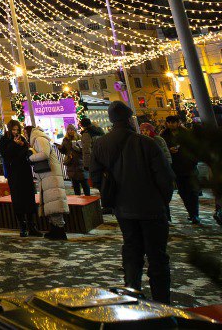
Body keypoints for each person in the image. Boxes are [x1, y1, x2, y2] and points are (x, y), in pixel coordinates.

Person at [90, 101, 175, 303]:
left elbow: (94, 174)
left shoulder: (101, 144)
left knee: (131, 249)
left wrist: (111, 195)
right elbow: (165, 177)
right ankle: (161, 300)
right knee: (157, 255)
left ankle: (131, 292)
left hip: (123, 208)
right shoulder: (146, 143)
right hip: (152, 207)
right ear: (129, 119)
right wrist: (163, 200)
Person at [28, 125, 70, 239]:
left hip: (51, 176)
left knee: (54, 202)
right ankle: (55, 229)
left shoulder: (39, 139)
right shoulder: (39, 138)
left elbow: (44, 154)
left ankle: (59, 231)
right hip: (48, 176)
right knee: (51, 203)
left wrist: (31, 157)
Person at [0, 120, 39, 236]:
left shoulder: (22, 138)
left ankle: (32, 225)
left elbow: (26, 152)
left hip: (25, 171)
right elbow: (5, 155)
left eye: (17, 130)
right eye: (13, 130)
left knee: (29, 198)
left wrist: (22, 145)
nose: (15, 132)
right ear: (9, 129)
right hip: (14, 173)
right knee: (18, 199)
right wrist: (13, 144)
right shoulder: (4, 140)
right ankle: (22, 226)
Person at [161, 114, 202, 225]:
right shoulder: (164, 136)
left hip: (189, 166)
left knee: (193, 192)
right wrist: (169, 150)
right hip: (176, 168)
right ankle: (191, 213)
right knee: (183, 192)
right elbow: (162, 151)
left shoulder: (187, 134)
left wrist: (193, 160)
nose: (171, 124)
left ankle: (195, 214)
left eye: (173, 122)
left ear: (178, 122)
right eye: (169, 122)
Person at [60, 123, 89, 196]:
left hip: (80, 162)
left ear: (75, 130)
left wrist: (77, 149)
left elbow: (84, 150)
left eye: (71, 129)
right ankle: (77, 200)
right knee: (75, 184)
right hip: (71, 163)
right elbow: (64, 151)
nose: (70, 131)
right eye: (68, 130)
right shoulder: (65, 139)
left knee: (84, 182)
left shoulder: (79, 137)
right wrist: (61, 149)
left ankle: (88, 198)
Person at [79, 116, 104, 195]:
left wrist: (87, 165)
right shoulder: (100, 130)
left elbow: (87, 150)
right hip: (104, 157)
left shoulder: (87, 134)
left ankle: (105, 201)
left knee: (98, 181)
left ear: (82, 125)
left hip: (95, 160)